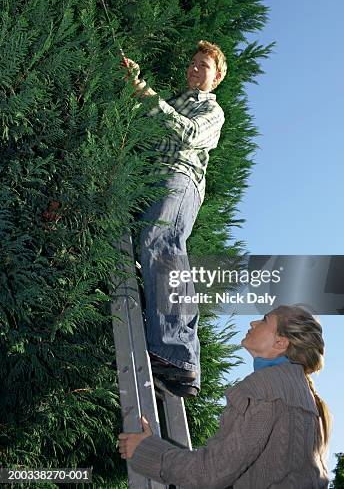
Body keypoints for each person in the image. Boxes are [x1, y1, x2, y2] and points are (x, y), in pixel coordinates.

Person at [117, 304, 331, 488]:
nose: (253, 323)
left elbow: (212, 472)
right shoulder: (306, 400)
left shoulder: (265, 389)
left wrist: (146, 451)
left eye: (265, 320)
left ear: (280, 343)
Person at [122, 41, 227, 398]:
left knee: (163, 244)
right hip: (154, 180)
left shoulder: (213, 111)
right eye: (193, 62)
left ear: (216, 79)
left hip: (180, 179)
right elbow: (156, 130)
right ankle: (166, 347)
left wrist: (145, 93)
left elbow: (188, 134)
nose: (195, 68)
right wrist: (135, 87)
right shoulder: (177, 102)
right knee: (152, 250)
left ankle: (178, 354)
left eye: (204, 66)